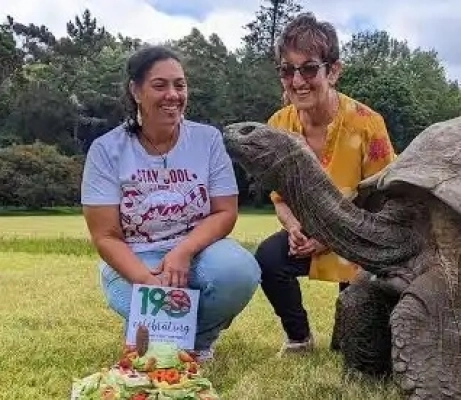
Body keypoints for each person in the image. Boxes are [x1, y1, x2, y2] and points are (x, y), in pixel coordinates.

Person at [80, 45, 261, 362]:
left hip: (198, 252)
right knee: (148, 314)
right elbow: (106, 236)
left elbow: (225, 212)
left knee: (238, 272)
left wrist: (183, 251)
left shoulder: (207, 140)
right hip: (136, 257)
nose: (173, 95)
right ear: (136, 91)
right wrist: (148, 282)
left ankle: (199, 341)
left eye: (180, 84)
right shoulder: (105, 149)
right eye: (159, 85)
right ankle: (170, 335)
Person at [254, 12, 397, 356]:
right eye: (287, 70)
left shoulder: (367, 123)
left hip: (359, 238)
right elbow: (280, 195)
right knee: (270, 259)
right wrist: (293, 229)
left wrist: (329, 234)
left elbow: (384, 198)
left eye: (308, 68)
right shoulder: (278, 123)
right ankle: (298, 337)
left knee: (352, 349)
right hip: (308, 234)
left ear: (333, 71)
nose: (297, 80)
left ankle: (349, 330)